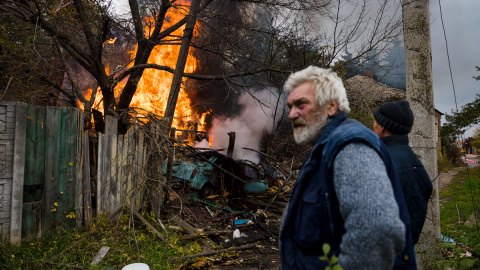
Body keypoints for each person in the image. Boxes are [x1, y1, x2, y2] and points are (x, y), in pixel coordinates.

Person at [279, 66, 416, 269]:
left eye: (301, 104)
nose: (291, 114)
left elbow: (376, 230)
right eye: (290, 106)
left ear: (331, 106)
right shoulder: (325, 149)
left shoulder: (350, 146)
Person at [373, 100, 433, 245]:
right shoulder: (413, 160)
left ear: (381, 127)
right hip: (406, 248)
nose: (372, 127)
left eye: (374, 123)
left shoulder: (380, 160)